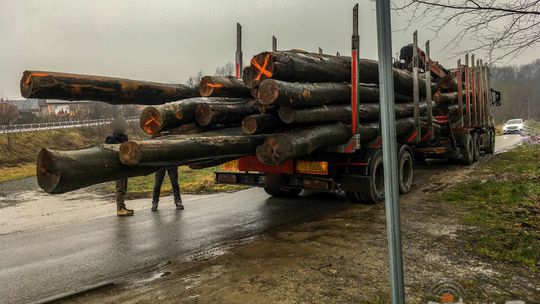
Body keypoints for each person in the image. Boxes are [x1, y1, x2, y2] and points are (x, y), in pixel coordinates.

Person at [105, 118, 134, 217]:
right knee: (120, 188)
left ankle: (122, 206)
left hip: (125, 166)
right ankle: (119, 208)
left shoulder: (124, 138)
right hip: (118, 167)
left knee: (124, 187)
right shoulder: (111, 139)